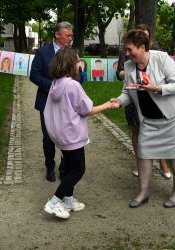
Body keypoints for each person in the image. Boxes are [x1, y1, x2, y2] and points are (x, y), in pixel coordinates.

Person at [111, 29, 175, 208]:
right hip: (148, 119)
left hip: (173, 116)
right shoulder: (130, 66)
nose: (127, 53)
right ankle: (143, 192)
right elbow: (127, 92)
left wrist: (157, 88)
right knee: (143, 152)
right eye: (126, 49)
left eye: (130, 49)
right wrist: (118, 101)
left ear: (141, 47)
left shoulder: (161, 58)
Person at [43, 48, 114, 219]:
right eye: (77, 61)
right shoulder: (73, 85)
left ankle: (68, 200)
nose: (79, 64)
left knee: (68, 167)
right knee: (79, 169)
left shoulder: (55, 83)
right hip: (71, 135)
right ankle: (54, 202)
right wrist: (108, 104)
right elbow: (87, 109)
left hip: (60, 134)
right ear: (71, 65)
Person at [116, 23, 171, 179]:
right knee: (137, 131)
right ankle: (140, 163)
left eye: (145, 36)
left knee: (158, 132)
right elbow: (120, 74)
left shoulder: (159, 52)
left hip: (154, 99)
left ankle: (163, 163)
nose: (143, 39)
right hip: (133, 99)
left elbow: (172, 80)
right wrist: (128, 75)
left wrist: (156, 86)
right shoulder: (127, 55)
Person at [30, 21, 73, 182]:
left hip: (66, 102)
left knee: (64, 136)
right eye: (68, 35)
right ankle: (49, 166)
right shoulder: (42, 52)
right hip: (46, 101)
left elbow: (76, 75)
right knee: (48, 137)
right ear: (57, 34)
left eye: (71, 35)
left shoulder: (72, 52)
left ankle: (64, 167)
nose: (70, 38)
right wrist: (54, 87)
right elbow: (34, 75)